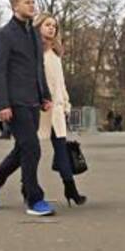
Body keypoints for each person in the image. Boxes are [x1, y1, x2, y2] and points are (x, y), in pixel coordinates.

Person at [0, 0, 55, 217]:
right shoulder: (5, 35)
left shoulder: (33, 33)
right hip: (15, 101)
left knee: (22, 149)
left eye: (33, 2)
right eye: (27, 2)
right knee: (32, 148)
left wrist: (45, 95)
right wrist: (2, 104)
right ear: (15, 6)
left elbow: (37, 67)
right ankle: (34, 198)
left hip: (32, 100)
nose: (32, 5)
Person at [34, 14, 85, 206]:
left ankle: (70, 188)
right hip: (40, 109)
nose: (51, 29)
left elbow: (60, 83)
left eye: (54, 26)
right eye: (47, 25)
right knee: (27, 151)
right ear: (38, 27)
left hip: (56, 109)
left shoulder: (55, 53)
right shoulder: (35, 53)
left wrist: (66, 103)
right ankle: (24, 186)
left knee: (62, 150)